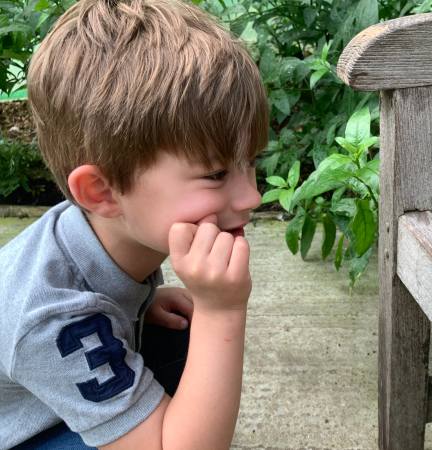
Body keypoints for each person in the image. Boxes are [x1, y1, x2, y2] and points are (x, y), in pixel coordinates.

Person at [0, 0, 269, 447]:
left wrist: (137, 305)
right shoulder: (53, 318)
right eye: (217, 174)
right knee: (206, 338)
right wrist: (223, 312)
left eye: (252, 163)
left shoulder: (110, 230)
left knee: (183, 337)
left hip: (42, 387)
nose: (253, 197)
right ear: (102, 192)